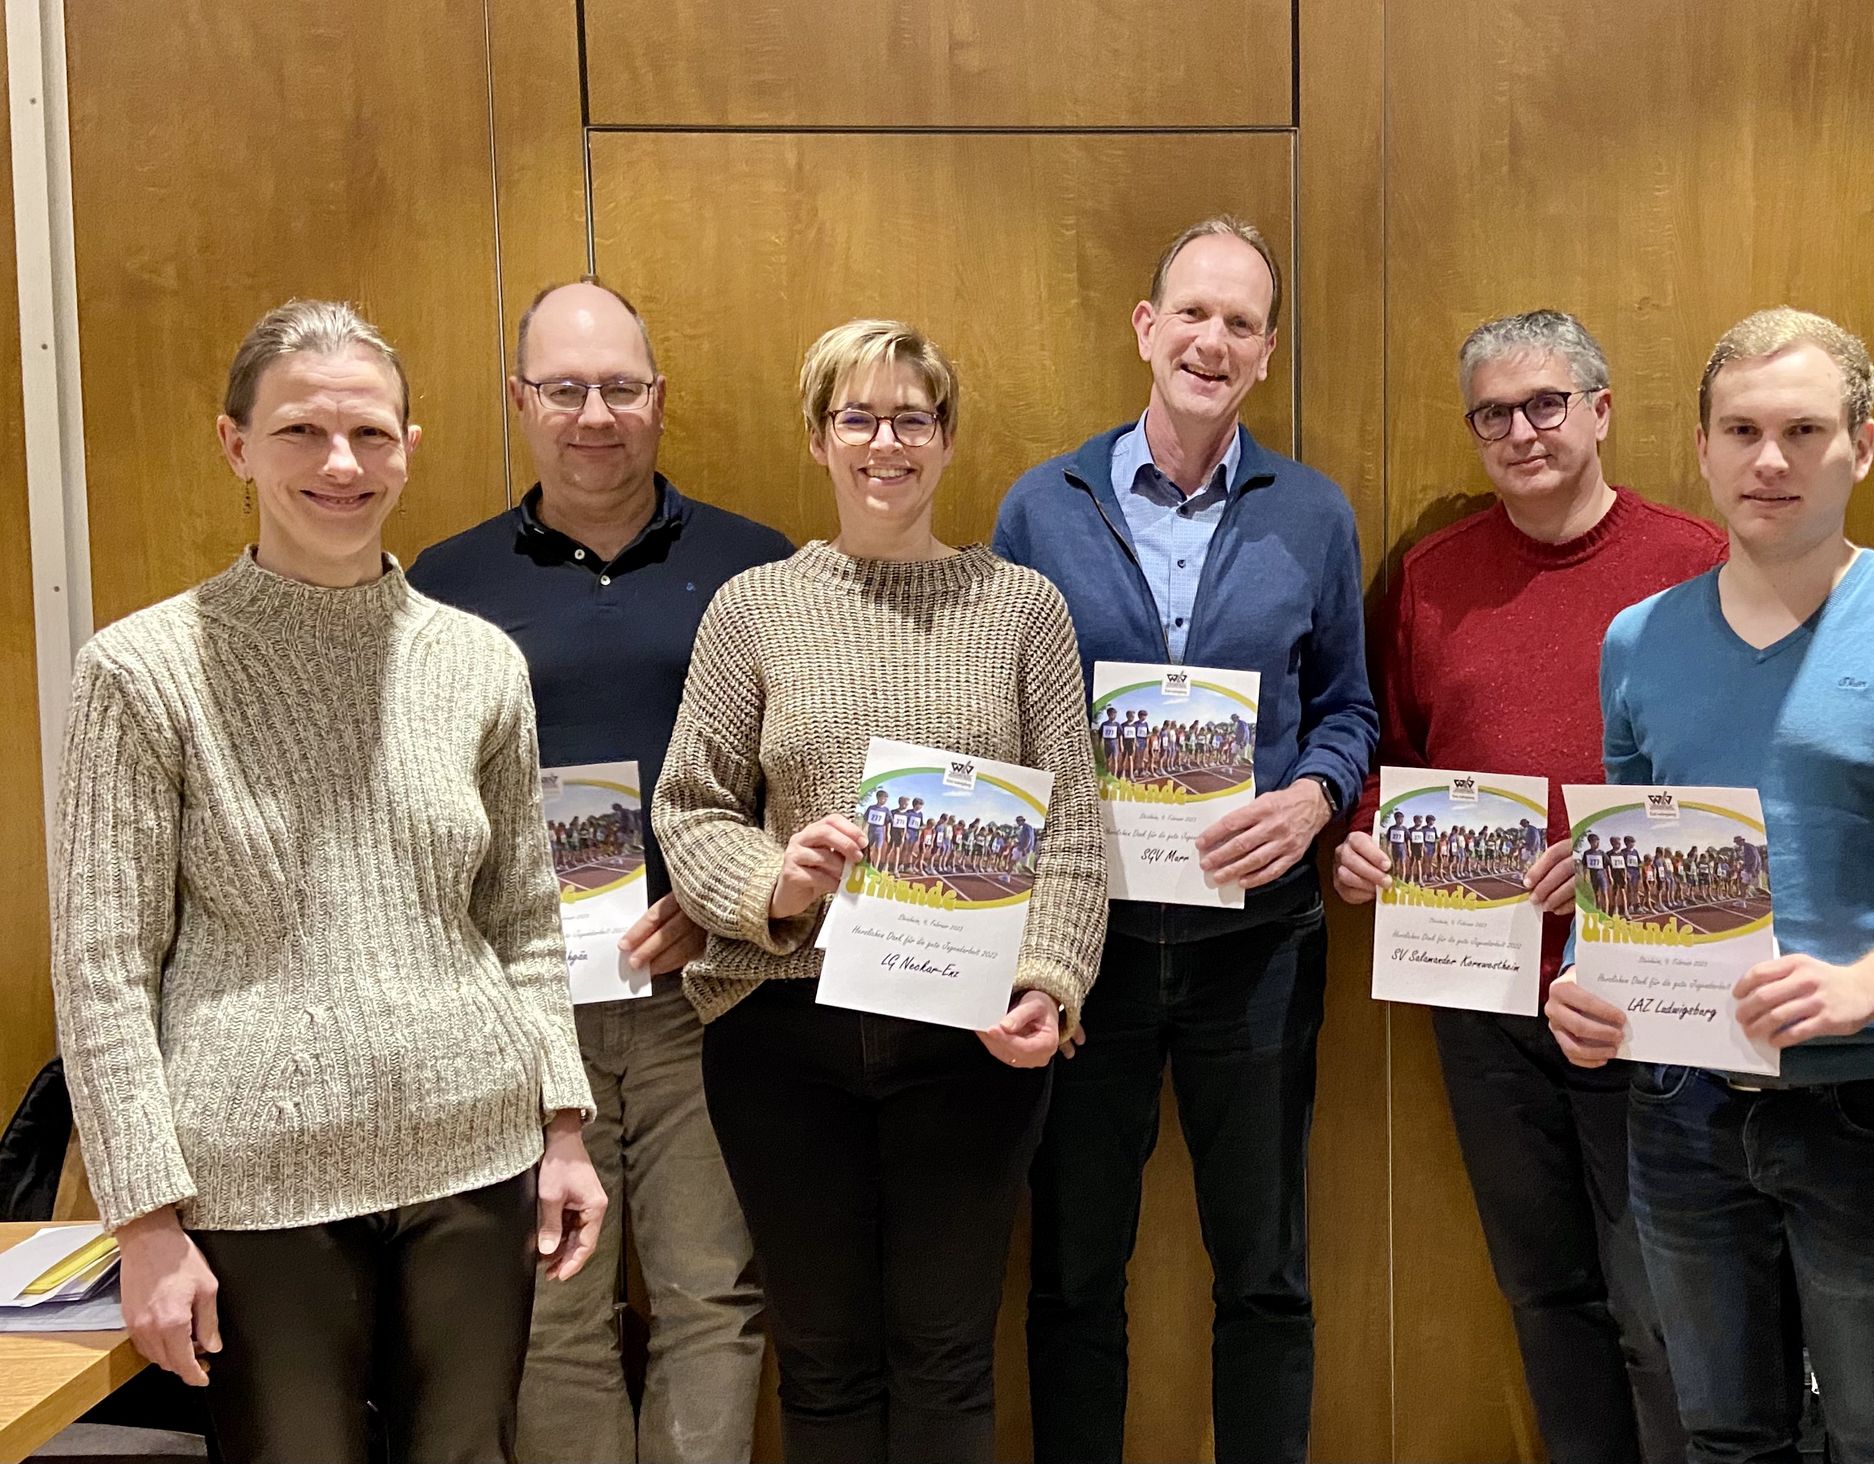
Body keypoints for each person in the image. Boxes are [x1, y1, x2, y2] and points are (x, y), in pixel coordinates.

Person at [49, 299, 605, 1464]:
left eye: (371, 435)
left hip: (476, 1160)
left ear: (409, 447)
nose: (341, 464)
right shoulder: (141, 672)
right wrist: (144, 1221)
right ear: (235, 444)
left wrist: (562, 1125)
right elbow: (103, 970)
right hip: (253, 1187)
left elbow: (522, 917)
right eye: (301, 430)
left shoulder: (478, 662)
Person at [652, 319, 1107, 1464]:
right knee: (821, 1358)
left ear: (946, 438)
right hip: (780, 1036)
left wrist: (1049, 982)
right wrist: (777, 880)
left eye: (911, 418)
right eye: (857, 417)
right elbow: (690, 807)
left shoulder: (1024, 609)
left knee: (946, 1354)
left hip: (968, 1037)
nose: (885, 443)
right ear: (818, 439)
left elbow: (1073, 831)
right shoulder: (753, 607)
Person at [1542, 307, 1874, 1464]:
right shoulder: (1638, 641)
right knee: (1722, 1436)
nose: (1770, 461)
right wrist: (1588, 980)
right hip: (1681, 1101)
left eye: (1803, 430)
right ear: (1701, 449)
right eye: (1741, 431)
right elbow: (1627, 866)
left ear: (1862, 446)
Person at [994, 215, 1378, 1464]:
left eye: (1242, 323)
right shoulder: (1039, 507)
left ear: (1265, 354)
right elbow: (997, 720)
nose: (1214, 341)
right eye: (1194, 314)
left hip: (1257, 950)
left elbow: (1349, 708)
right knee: (1073, 1272)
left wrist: (1314, 798)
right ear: (1146, 328)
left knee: (1264, 1271)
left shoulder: (1311, 514)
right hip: (1084, 952)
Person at [1333, 310, 1721, 1462]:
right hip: (1483, 998)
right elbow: (1388, 755)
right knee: (1545, 1298)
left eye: (1545, 404)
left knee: (1664, 1312)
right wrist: (1362, 838)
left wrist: (1615, 868)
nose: (1521, 432)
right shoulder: (1431, 580)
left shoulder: (1694, 564)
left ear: (1600, 411)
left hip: (1649, 1000)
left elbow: (1741, 778)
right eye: (1493, 414)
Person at [409, 278, 783, 1464]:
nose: (594, 415)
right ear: (520, 401)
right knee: (552, 1309)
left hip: (705, 999)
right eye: (564, 389)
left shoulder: (755, 567)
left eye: (620, 388)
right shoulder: (442, 583)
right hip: (525, 1015)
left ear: (658, 398)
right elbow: (415, 803)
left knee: (711, 1296)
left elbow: (797, 784)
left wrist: (720, 900)